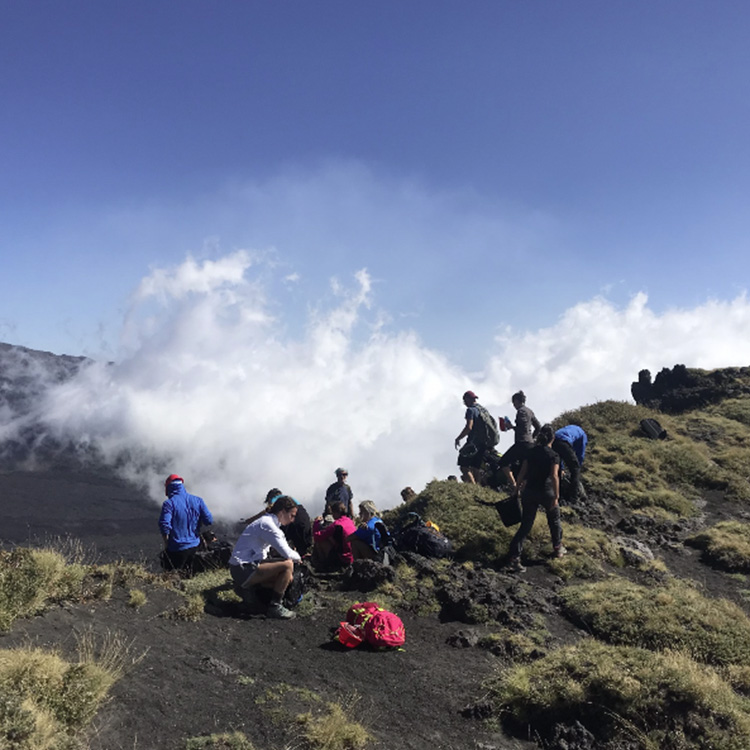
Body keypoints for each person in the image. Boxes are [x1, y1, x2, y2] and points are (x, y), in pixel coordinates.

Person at [229, 494, 301, 619]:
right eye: (292, 515)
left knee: (287, 578)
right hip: (243, 568)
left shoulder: (267, 522)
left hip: (243, 566)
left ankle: (248, 591)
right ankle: (275, 607)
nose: (292, 519)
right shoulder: (268, 525)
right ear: (282, 512)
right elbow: (287, 554)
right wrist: (300, 558)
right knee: (288, 564)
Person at [507, 424, 565, 573]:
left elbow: (522, 472)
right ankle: (557, 549)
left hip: (530, 492)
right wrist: (557, 495)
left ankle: (514, 556)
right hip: (547, 492)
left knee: (526, 524)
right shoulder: (554, 455)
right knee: (554, 519)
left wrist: (516, 488)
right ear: (552, 438)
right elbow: (554, 476)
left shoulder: (531, 452)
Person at [158, 474, 213, 575]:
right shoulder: (198, 500)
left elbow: (164, 525)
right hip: (195, 547)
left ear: (168, 488)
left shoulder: (169, 504)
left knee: (174, 577)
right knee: (192, 575)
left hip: (176, 549)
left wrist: (166, 544)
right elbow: (209, 520)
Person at [242, 488, 313, 556]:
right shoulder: (290, 500)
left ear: (270, 498)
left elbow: (266, 511)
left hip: (292, 523)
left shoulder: (277, 499)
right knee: (301, 551)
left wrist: (248, 521)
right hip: (305, 523)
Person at [498, 391, 542, 493]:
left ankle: (514, 486)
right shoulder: (530, 411)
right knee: (524, 468)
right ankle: (522, 490)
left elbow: (521, 428)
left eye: (514, 403)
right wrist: (533, 438)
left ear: (517, 401)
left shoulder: (521, 411)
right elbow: (538, 427)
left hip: (521, 443)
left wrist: (511, 427)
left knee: (503, 462)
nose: (514, 405)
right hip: (530, 443)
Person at [454, 390, 491, 484]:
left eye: (464, 401)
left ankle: (473, 487)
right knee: (476, 467)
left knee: (463, 465)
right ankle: (478, 488)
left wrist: (458, 438)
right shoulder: (483, 410)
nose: (465, 403)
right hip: (484, 442)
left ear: (467, 399)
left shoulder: (470, 410)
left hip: (473, 443)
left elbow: (469, 427)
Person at [312, 501, 357, 569]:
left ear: (336, 512)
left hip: (342, 558)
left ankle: (322, 565)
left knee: (321, 541)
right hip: (352, 556)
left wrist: (316, 523)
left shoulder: (336, 524)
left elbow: (317, 536)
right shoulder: (349, 521)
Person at [552, 425, 588, 502]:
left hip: (554, 440)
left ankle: (559, 494)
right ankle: (573, 497)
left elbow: (558, 457)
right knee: (575, 469)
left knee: (557, 468)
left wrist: (561, 468)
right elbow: (580, 454)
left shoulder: (569, 428)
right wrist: (578, 466)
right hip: (564, 441)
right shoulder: (583, 435)